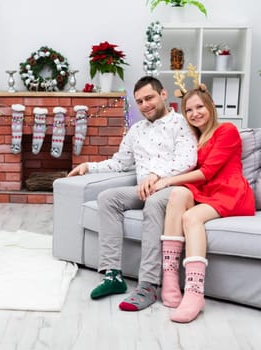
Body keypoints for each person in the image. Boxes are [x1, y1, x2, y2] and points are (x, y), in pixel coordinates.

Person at [67, 76, 197, 311]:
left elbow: (188, 159)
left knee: (154, 203)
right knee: (108, 198)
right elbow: (120, 162)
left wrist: (156, 175)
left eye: (149, 98)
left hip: (174, 189)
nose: (145, 105)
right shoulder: (136, 130)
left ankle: (148, 285)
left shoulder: (181, 123)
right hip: (143, 189)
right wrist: (89, 166)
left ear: (163, 94)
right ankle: (113, 276)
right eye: (140, 101)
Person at [155, 87, 255, 323]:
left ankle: (194, 292)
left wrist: (167, 180)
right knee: (178, 194)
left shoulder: (226, 130)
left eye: (199, 107)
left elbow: (207, 172)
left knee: (191, 218)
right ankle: (169, 278)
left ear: (210, 106)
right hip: (206, 192)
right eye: (188, 110)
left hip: (230, 191)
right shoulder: (193, 139)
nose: (194, 113)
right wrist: (156, 175)